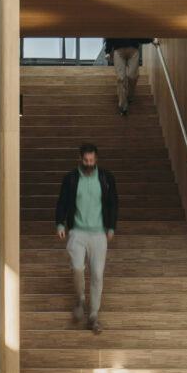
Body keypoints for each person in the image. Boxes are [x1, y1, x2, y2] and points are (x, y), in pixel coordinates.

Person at [52, 141, 118, 332]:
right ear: (80, 159)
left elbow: (113, 203)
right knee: (77, 268)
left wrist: (111, 227)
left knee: (97, 274)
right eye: (86, 160)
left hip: (98, 234)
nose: (89, 164)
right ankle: (80, 298)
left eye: (92, 160)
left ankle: (93, 316)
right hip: (77, 232)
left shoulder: (106, 178)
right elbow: (62, 202)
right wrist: (60, 223)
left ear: (96, 159)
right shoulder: (71, 179)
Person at [102, 35, 148, 116]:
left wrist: (151, 40)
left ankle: (130, 96)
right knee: (121, 78)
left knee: (132, 76)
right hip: (118, 50)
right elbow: (110, 35)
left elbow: (140, 34)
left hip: (133, 50)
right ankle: (123, 107)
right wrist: (108, 51)